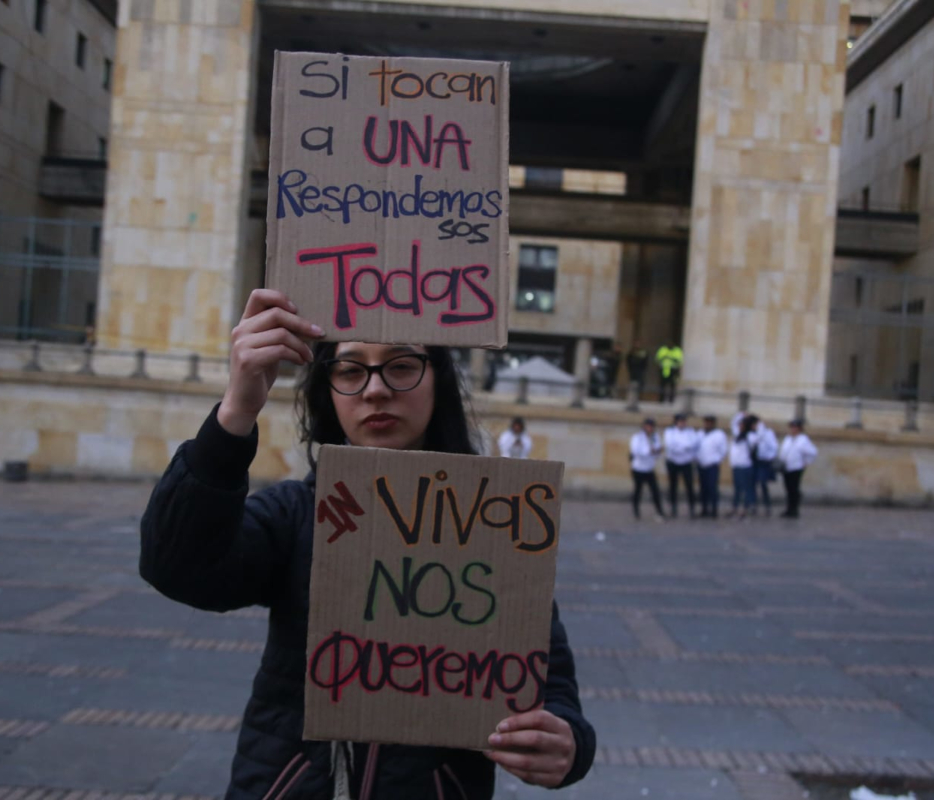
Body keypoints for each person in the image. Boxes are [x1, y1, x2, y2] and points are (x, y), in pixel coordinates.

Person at [139, 290, 595, 799]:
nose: (376, 390)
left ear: (438, 379)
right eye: (351, 370)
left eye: (401, 366)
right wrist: (236, 412)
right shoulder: (296, 514)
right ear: (327, 390)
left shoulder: (495, 525)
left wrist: (568, 742)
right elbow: (177, 566)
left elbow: (549, 685)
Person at [778, 419, 818, 519]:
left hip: (796, 467)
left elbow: (813, 452)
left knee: (794, 489)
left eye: (795, 427)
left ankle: (794, 509)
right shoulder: (788, 438)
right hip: (786, 467)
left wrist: (806, 462)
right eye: (792, 427)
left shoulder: (803, 440)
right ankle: (789, 508)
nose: (793, 429)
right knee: (788, 488)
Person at [663, 413, 699, 519]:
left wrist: (681, 447)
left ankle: (692, 509)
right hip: (673, 462)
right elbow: (670, 445)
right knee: (673, 486)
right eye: (680, 421)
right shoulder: (669, 432)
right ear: (676, 422)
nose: (682, 423)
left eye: (684, 421)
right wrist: (684, 448)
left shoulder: (691, 432)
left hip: (686, 462)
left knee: (689, 486)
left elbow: (693, 444)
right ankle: (673, 509)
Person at [629, 417, 665, 522]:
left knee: (655, 491)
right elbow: (635, 451)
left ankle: (659, 511)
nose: (650, 428)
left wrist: (657, 451)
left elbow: (657, 451)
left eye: (651, 426)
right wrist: (650, 451)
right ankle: (636, 511)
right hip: (638, 468)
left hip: (649, 468)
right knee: (638, 490)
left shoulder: (655, 437)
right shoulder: (637, 437)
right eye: (648, 426)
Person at [695, 415, 728, 519]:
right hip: (701, 464)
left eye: (710, 423)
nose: (707, 424)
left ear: (713, 424)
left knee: (712, 488)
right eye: (706, 422)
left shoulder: (719, 435)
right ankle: (704, 509)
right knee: (703, 488)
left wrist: (717, 459)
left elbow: (723, 450)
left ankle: (714, 510)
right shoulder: (700, 433)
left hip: (712, 465)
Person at [729, 415, 757, 519]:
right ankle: (735, 507)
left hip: (745, 466)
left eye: (742, 424)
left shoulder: (751, 436)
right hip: (736, 465)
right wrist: (741, 414)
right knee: (737, 488)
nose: (740, 426)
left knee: (746, 489)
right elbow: (733, 424)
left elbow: (758, 437)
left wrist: (755, 420)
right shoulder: (738, 435)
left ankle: (746, 508)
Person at [751, 417, 779, 516]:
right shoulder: (752, 433)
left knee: (763, 484)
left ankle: (767, 506)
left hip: (763, 461)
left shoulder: (767, 433)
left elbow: (773, 447)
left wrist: (769, 457)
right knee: (753, 484)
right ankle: (753, 505)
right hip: (754, 461)